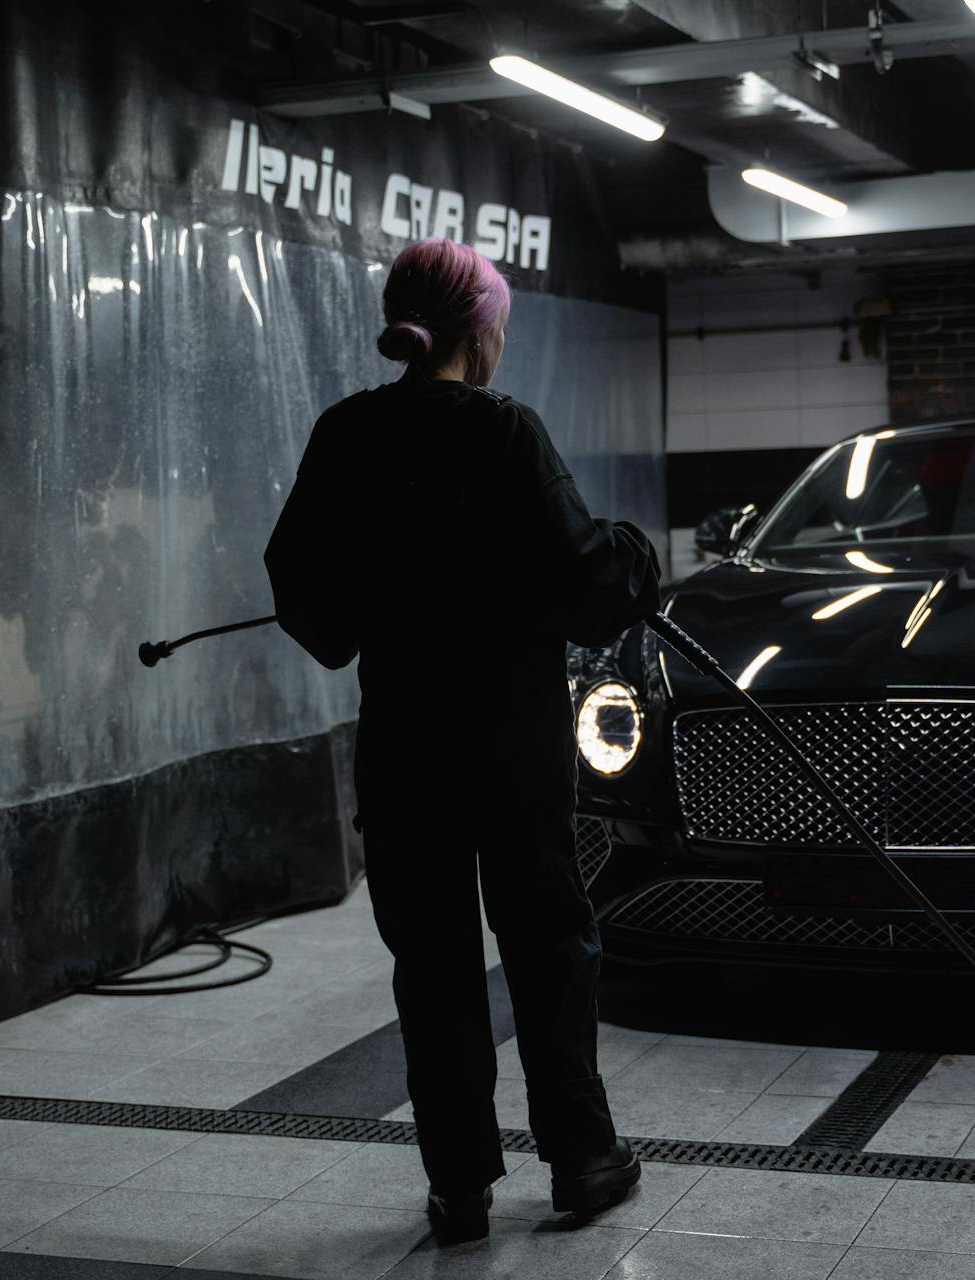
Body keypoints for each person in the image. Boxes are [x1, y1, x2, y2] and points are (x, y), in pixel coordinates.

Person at [263, 238, 660, 1244]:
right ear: (478, 334)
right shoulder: (504, 431)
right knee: (549, 948)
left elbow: (307, 596)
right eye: (500, 332)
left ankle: (459, 1188)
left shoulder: (346, 433)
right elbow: (588, 585)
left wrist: (377, 605)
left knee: (432, 966)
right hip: (514, 752)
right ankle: (581, 1157)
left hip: (404, 752)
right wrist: (634, 552)